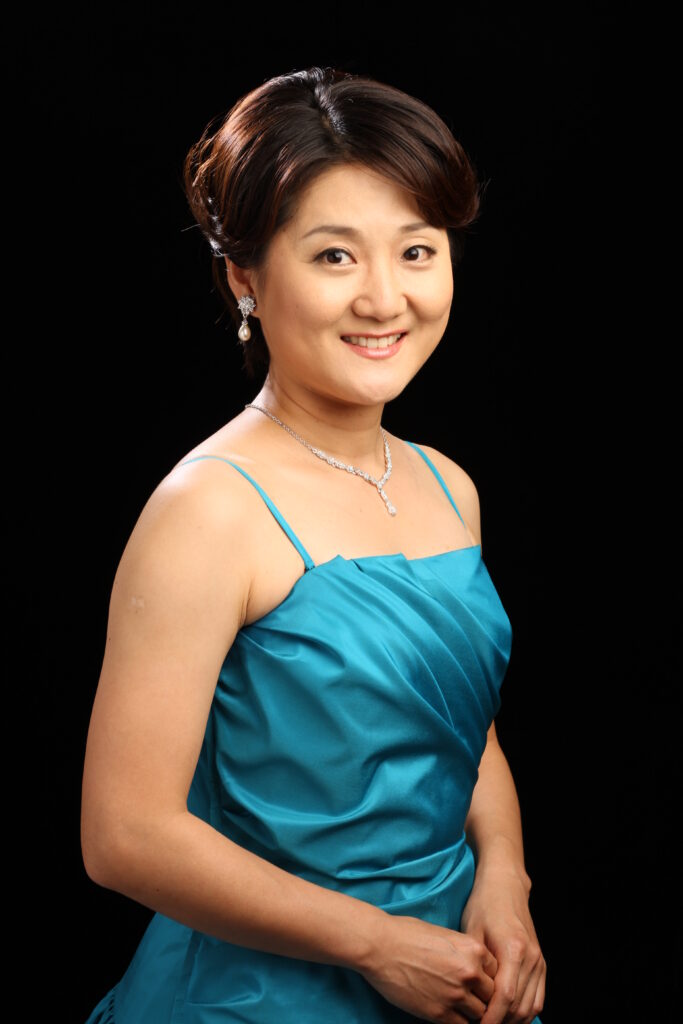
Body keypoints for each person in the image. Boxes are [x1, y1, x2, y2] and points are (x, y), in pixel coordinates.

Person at [81, 66, 546, 1024]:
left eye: (416, 251)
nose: (384, 298)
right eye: (335, 256)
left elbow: (465, 735)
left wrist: (505, 881)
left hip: (454, 971)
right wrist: (377, 944)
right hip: (258, 995)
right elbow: (123, 835)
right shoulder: (209, 508)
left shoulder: (446, 484)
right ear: (244, 277)